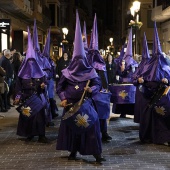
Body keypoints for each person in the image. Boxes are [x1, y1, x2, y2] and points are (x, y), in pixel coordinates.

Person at [56, 10, 105, 163]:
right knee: (73, 130)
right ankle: (73, 152)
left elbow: (98, 84)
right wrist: (63, 98)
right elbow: (60, 87)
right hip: (70, 106)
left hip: (86, 105)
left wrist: (92, 89)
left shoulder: (90, 72)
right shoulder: (66, 72)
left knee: (91, 128)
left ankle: (97, 154)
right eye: (75, 60)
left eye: (80, 60)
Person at [13, 27, 48, 143]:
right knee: (28, 118)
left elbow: (45, 83)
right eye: (29, 62)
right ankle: (30, 134)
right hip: (27, 98)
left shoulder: (41, 73)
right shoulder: (21, 74)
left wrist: (43, 86)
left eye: (33, 62)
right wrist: (18, 98)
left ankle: (41, 135)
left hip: (38, 97)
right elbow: (18, 87)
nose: (31, 64)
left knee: (39, 118)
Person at [138, 22, 170, 145]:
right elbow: (142, 80)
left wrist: (166, 81)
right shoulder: (148, 67)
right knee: (149, 118)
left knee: (163, 117)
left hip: (164, 97)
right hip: (149, 96)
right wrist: (141, 81)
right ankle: (149, 137)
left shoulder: (166, 68)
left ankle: (164, 138)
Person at [86, 13, 112, 142]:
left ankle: (104, 132)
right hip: (90, 93)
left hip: (100, 93)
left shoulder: (101, 65)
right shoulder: (86, 64)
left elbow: (104, 77)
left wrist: (106, 88)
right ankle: (92, 133)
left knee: (103, 114)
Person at [132, 33, 150, 123]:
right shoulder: (139, 67)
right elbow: (134, 78)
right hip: (140, 91)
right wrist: (138, 80)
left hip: (150, 91)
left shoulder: (152, 67)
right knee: (141, 106)